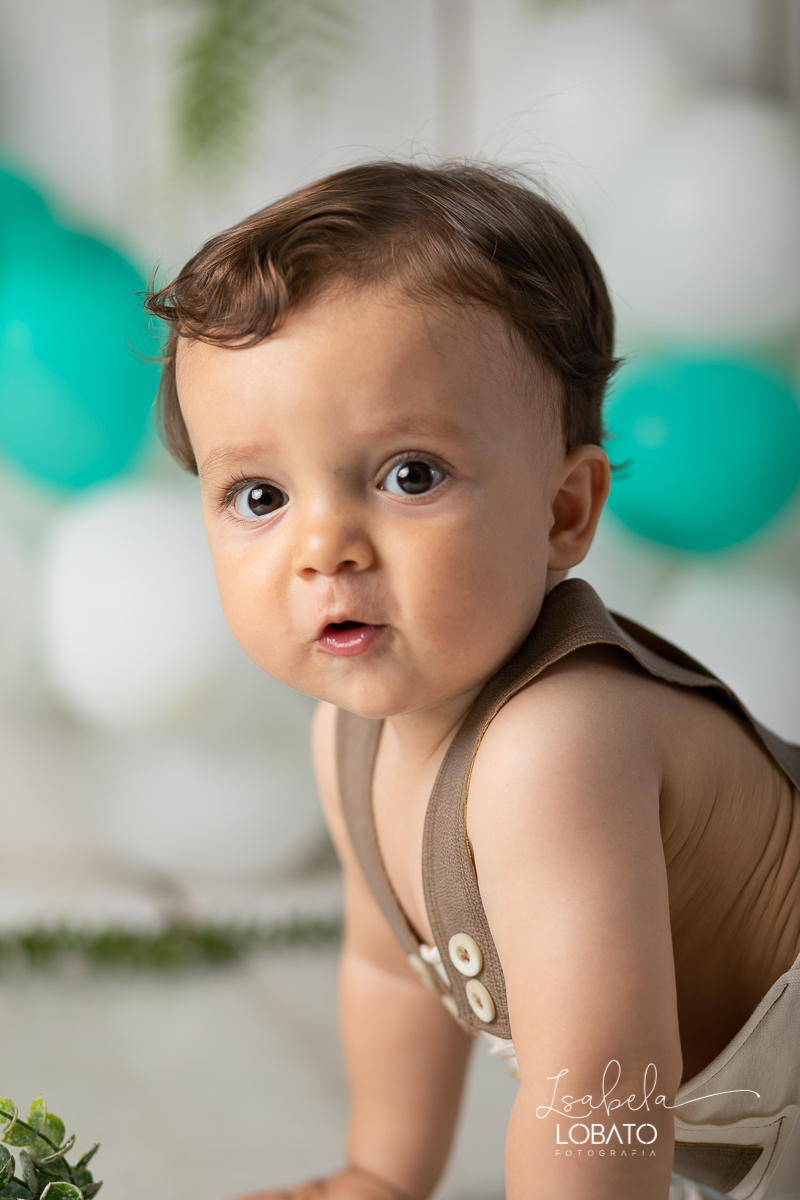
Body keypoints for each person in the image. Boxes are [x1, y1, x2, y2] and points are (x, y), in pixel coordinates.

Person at [146, 162, 800, 1200]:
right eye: (259, 493)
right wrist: (383, 1173)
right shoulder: (348, 736)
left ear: (561, 513)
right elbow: (387, 973)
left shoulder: (555, 746)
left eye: (409, 475)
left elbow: (598, 1089)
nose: (324, 548)